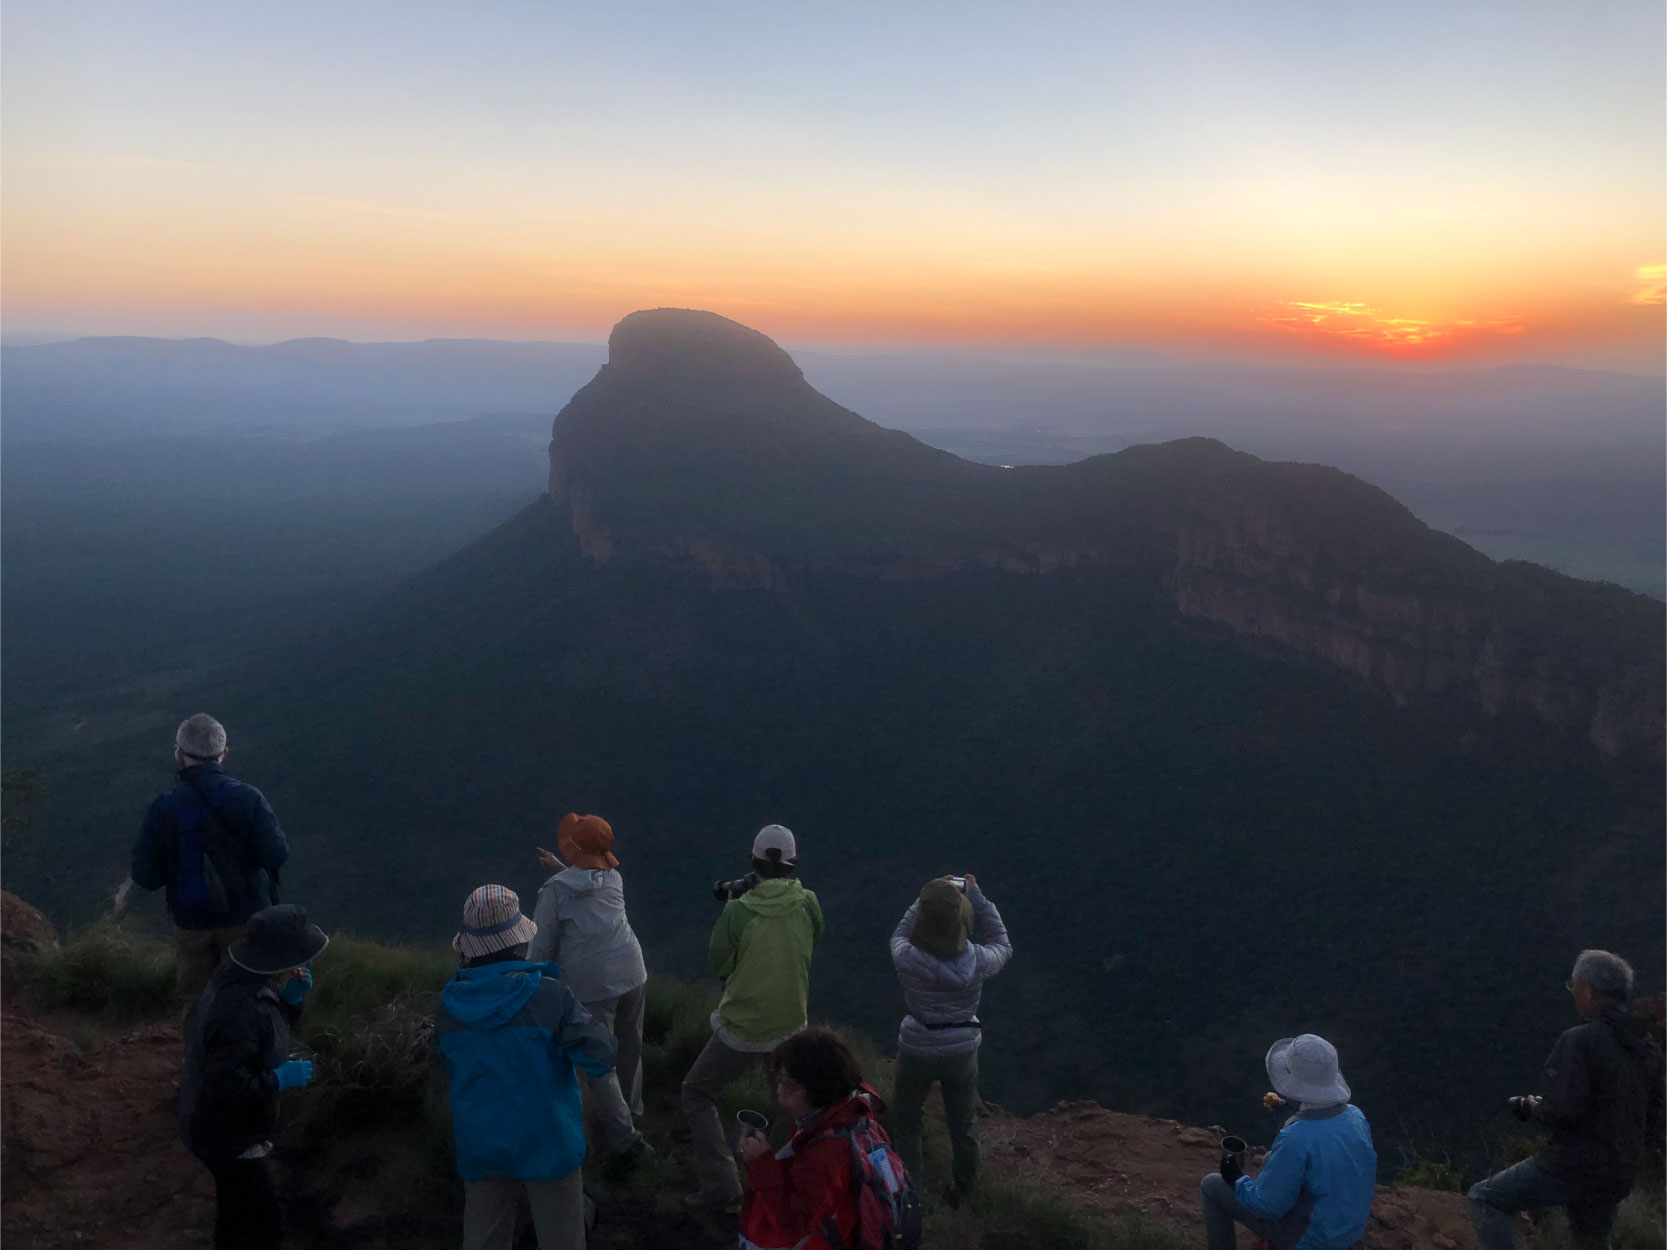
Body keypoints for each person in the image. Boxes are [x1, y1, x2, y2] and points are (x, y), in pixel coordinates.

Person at [435, 884, 618, 1250]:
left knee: (484, 1238)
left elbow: (446, 1068)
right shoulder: (550, 996)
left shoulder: (448, 1006)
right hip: (548, 1141)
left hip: (481, 1142)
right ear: (517, 941)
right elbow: (601, 1054)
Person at [1468, 950, 1665, 1250]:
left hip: (1572, 1164)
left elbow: (1561, 1111)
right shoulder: (1646, 1047)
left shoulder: (1580, 1040)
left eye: (1573, 986)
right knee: (1592, 1239)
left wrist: (1532, 1108)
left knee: (1486, 1198)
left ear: (1588, 989)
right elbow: (1655, 1116)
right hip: (1618, 1169)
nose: (1573, 993)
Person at [682, 824, 824, 1212]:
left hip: (743, 1025)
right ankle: (786, 1183)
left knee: (696, 1092)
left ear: (753, 862)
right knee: (788, 1102)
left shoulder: (739, 910)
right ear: (794, 864)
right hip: (791, 1022)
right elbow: (816, 936)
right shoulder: (809, 902)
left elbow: (719, 961)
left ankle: (723, 1186)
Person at [179, 903, 327, 1250]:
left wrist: (289, 1002)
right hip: (226, 1135)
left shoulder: (244, 978)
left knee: (235, 1213)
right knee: (265, 1225)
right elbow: (225, 1085)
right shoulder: (237, 1007)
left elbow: (258, 1035)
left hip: (219, 1128)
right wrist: (278, 1079)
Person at [131, 713, 290, 1010]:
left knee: (197, 1003)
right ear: (224, 753)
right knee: (254, 995)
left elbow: (144, 875)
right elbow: (276, 854)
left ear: (179, 755)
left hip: (191, 923)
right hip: (246, 917)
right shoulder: (248, 799)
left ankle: (201, 1053)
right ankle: (258, 1051)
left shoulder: (164, 807)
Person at [529, 812, 653, 1172]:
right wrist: (560, 868)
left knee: (599, 1062)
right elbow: (585, 885)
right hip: (634, 972)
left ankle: (626, 1141)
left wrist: (527, 983)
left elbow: (541, 947)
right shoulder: (614, 878)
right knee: (631, 1047)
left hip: (592, 985)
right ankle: (632, 1113)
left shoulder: (555, 892)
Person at [887, 872, 1011, 1198]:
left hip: (917, 1047)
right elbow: (1002, 942)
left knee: (908, 1122)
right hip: (961, 1049)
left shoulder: (906, 958)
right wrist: (979, 899)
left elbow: (900, 931)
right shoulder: (979, 961)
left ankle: (911, 1193)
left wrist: (925, 899)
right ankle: (966, 1191)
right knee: (963, 1124)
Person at [738, 1027, 917, 1250]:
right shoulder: (858, 1121)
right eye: (779, 1079)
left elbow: (792, 1224)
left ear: (818, 1089)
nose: (779, 1091)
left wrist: (761, 1163)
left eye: (789, 1084)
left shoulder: (827, 1153)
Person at [1198, 1033, 1377, 1250]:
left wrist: (1237, 1179)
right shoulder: (1355, 1116)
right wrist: (1292, 1117)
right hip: (1348, 1229)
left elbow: (1267, 1206)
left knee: (1211, 1185)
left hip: (1313, 1240)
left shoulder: (1296, 1138)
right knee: (1270, 1159)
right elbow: (1322, 1142)